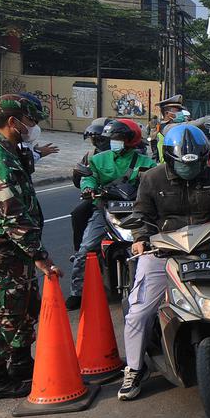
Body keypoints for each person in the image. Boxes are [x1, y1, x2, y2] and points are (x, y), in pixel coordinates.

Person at [118, 124, 210, 400]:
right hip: (163, 251)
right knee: (139, 311)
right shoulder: (152, 179)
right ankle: (134, 368)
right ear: (170, 159)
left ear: (205, 158)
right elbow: (141, 214)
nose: (189, 170)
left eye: (194, 165)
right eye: (183, 165)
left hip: (208, 247)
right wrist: (141, 237)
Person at [0, 94, 60, 400]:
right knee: (1, 312)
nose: (33, 128)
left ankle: (20, 364)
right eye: (30, 122)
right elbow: (14, 215)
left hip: (17, 249)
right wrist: (40, 256)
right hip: (3, 248)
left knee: (24, 308)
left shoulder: (11, 150)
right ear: (13, 123)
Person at [67, 119, 154, 310]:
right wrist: (89, 188)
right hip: (105, 209)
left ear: (130, 139)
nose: (114, 141)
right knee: (86, 248)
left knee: (155, 249)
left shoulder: (146, 162)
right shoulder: (98, 159)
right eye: (112, 137)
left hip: (136, 211)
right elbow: (88, 176)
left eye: (118, 138)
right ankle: (77, 292)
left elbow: (156, 180)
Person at [71, 118, 114, 252]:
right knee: (78, 213)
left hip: (125, 198)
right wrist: (85, 185)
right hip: (100, 198)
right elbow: (80, 180)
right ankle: (79, 251)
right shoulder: (91, 155)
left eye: (100, 138)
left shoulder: (127, 154)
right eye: (94, 139)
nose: (96, 142)